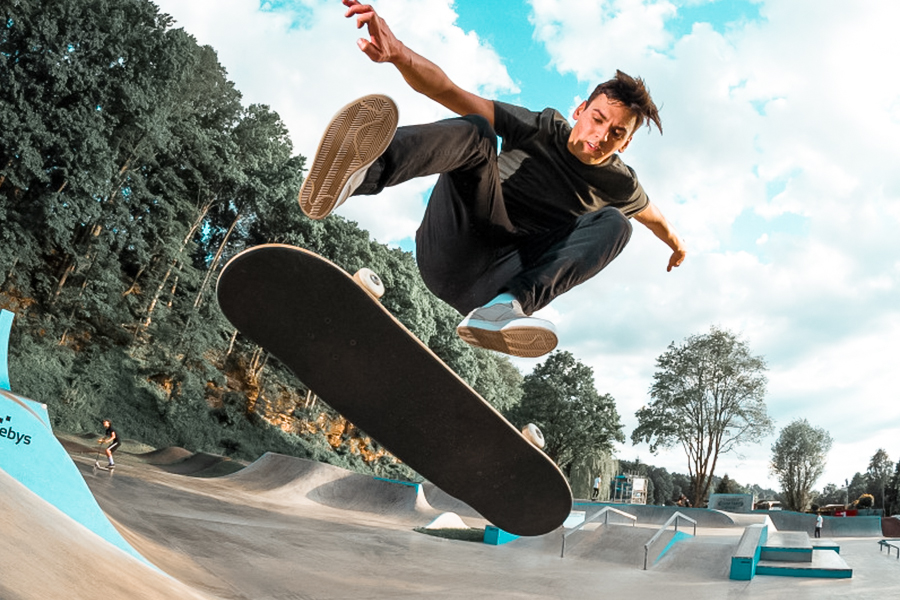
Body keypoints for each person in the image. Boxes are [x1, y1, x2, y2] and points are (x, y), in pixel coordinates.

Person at [298, 0, 686, 358]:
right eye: (598, 120)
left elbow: (655, 220)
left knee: (617, 224)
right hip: (453, 246)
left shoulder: (621, 184)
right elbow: (448, 91)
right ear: (580, 109)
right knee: (477, 132)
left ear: (627, 142)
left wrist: (677, 246)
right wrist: (400, 55)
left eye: (616, 135)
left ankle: (502, 311)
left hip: (498, 284)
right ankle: (356, 173)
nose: (600, 138)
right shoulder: (539, 127)